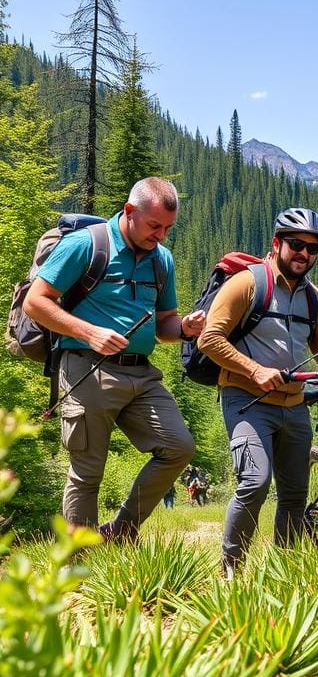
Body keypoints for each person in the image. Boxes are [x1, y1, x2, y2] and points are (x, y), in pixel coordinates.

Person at [23, 177, 205, 541]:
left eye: (168, 228)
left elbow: (164, 323)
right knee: (87, 474)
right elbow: (36, 302)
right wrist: (89, 332)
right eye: (155, 226)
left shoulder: (161, 260)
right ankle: (78, 570)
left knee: (178, 447)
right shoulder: (85, 246)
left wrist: (184, 327)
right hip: (86, 370)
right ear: (129, 212)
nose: (162, 236)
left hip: (141, 374)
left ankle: (122, 529)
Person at [197, 207, 318, 578]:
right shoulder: (246, 284)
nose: (305, 253)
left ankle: (284, 574)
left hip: (295, 405)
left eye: (313, 247)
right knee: (254, 482)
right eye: (296, 244)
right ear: (277, 243)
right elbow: (209, 338)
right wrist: (255, 370)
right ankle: (231, 572)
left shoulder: (313, 298)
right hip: (247, 401)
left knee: (294, 496)